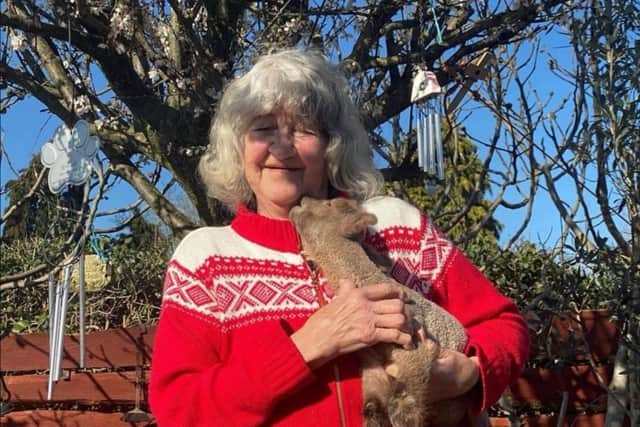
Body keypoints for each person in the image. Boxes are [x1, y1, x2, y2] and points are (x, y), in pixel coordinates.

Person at [149, 49, 529, 427]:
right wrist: (309, 346)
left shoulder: (395, 225)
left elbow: (502, 324)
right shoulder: (206, 257)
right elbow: (179, 410)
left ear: (332, 146)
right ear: (238, 147)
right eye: (263, 128)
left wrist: (471, 373)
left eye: (303, 129)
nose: (282, 147)